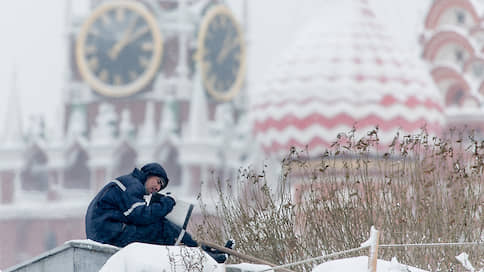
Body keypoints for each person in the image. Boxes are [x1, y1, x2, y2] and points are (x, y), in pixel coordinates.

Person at [85, 162, 232, 263]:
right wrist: (167, 203)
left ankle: (202, 251)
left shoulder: (131, 184)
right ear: (149, 174)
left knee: (160, 231)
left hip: (108, 231)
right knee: (161, 227)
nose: (158, 187)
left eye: (161, 186)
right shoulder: (132, 185)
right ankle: (203, 253)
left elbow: (137, 215)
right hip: (108, 233)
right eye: (158, 181)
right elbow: (141, 215)